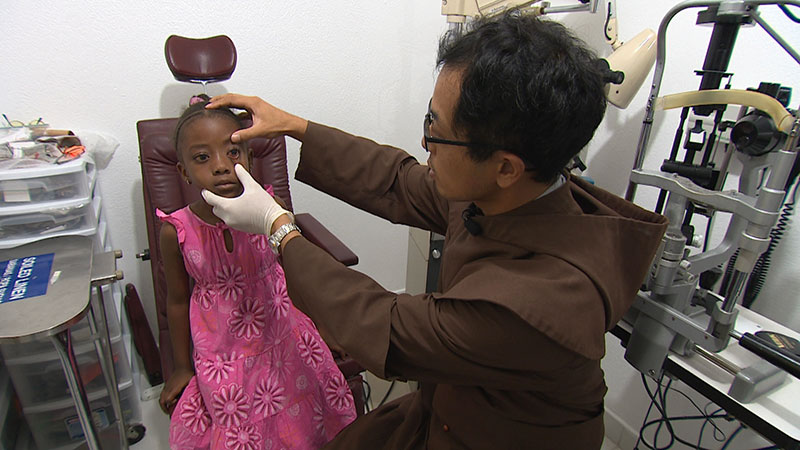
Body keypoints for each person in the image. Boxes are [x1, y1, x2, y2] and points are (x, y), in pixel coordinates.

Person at [203, 12, 668, 450]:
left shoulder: (537, 306)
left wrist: (277, 225)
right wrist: (294, 126)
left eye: (437, 131)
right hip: (449, 402)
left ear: (506, 166)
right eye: (429, 117)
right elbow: (397, 180)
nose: (425, 143)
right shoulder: (509, 192)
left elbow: (384, 324)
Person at [157, 95, 356, 449]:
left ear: (248, 157)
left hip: (281, 332)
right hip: (222, 352)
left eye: (233, 152)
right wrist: (180, 368)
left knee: (305, 415)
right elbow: (175, 300)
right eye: (203, 158)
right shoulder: (177, 231)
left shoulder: (269, 209)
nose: (221, 166)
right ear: (184, 171)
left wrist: (322, 324)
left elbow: (294, 272)